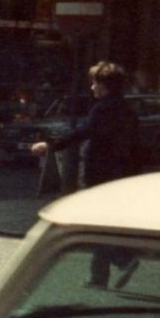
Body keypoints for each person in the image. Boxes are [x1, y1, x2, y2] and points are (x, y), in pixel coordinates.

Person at [31, 60, 140, 287]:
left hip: (101, 174)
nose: (91, 87)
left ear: (103, 85)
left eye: (94, 83)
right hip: (121, 174)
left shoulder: (103, 108)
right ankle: (104, 272)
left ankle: (119, 262)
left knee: (98, 223)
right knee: (106, 222)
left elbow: (82, 132)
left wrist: (50, 146)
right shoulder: (127, 109)